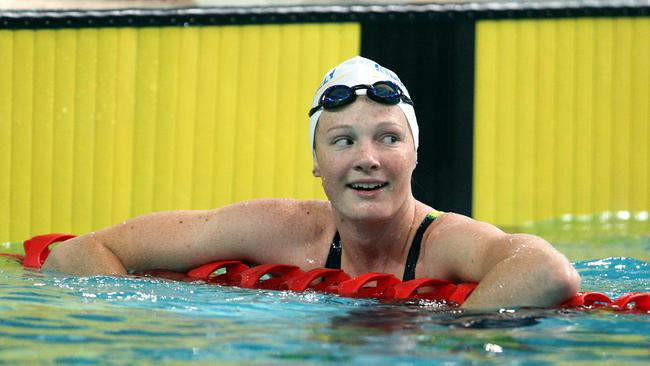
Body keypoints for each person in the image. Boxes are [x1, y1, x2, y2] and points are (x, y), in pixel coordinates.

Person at [43, 56, 580, 310]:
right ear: (317, 163)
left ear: (415, 153)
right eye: (343, 141)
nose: (367, 159)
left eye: (388, 139)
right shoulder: (279, 229)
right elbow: (80, 254)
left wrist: (457, 333)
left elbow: (547, 269)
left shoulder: (446, 242)